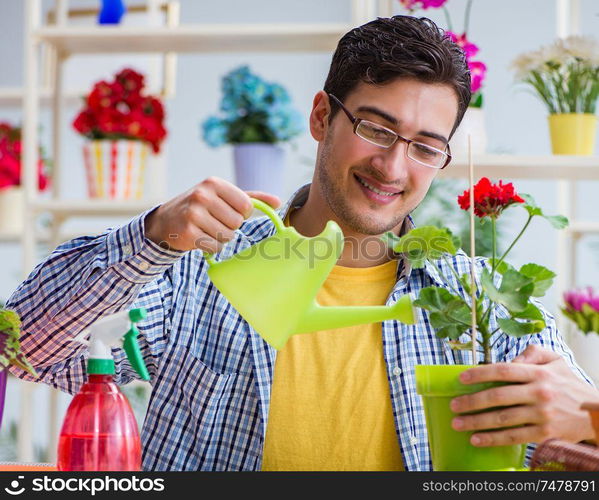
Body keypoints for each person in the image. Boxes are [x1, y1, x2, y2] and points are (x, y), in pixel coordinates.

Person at [7, 15, 598, 471]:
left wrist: (588, 419)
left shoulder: (480, 300)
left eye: (424, 146)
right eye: (375, 128)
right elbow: (24, 346)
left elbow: (568, 447)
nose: (393, 166)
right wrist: (155, 234)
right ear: (322, 117)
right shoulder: (200, 267)